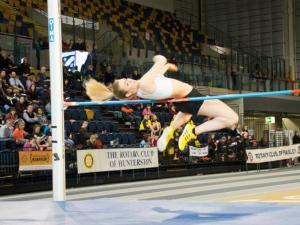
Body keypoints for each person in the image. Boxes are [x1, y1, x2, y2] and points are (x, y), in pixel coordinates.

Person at [85, 55, 239, 152]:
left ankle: (168, 132)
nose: (129, 80)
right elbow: (161, 59)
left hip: (181, 103)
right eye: (126, 83)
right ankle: (193, 131)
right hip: (190, 97)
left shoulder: (142, 88)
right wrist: (158, 59)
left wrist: (167, 67)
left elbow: (159, 74)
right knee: (232, 118)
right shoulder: (144, 83)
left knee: (187, 116)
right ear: (128, 93)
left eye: (125, 79)